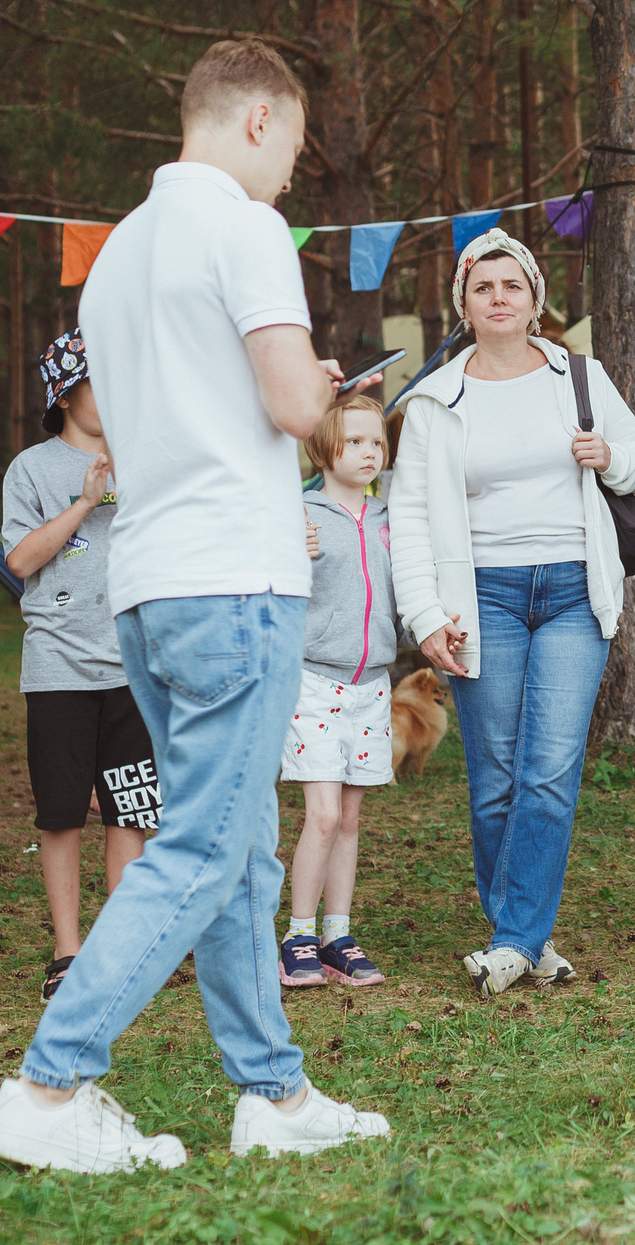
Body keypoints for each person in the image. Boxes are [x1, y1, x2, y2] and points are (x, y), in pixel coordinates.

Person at [0, 38, 389, 1173]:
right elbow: (282, 398)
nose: (291, 180)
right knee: (207, 846)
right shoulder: (245, 228)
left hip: (147, 591)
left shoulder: (115, 252)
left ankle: (273, 1092)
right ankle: (49, 1087)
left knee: (243, 853)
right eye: (294, 150)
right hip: (234, 578)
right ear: (257, 120)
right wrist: (329, 390)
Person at [389, 228, 635, 998]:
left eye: (513, 285)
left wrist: (610, 455)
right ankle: (529, 937)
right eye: (484, 287)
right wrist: (425, 615)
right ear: (465, 304)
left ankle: (513, 938)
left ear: (535, 298)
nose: (499, 298)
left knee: (548, 769)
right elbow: (406, 518)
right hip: (485, 599)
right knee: (495, 778)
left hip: (575, 591)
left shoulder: (579, 377)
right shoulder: (436, 399)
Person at [0, 328, 159, 1005]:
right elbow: (20, 561)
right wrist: (86, 502)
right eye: (102, 381)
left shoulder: (148, 461)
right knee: (62, 814)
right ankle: (69, 951)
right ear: (66, 394)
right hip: (60, 670)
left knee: (131, 813)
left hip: (138, 668)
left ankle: (121, 947)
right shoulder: (31, 469)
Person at [279, 393, 402, 990]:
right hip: (314, 683)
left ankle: (337, 934)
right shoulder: (299, 513)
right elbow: (271, 583)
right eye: (354, 441)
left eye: (375, 441)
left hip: (373, 686)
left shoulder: (390, 519)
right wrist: (287, 552)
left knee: (350, 818)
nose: (368, 452)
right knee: (323, 816)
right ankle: (297, 935)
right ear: (324, 448)